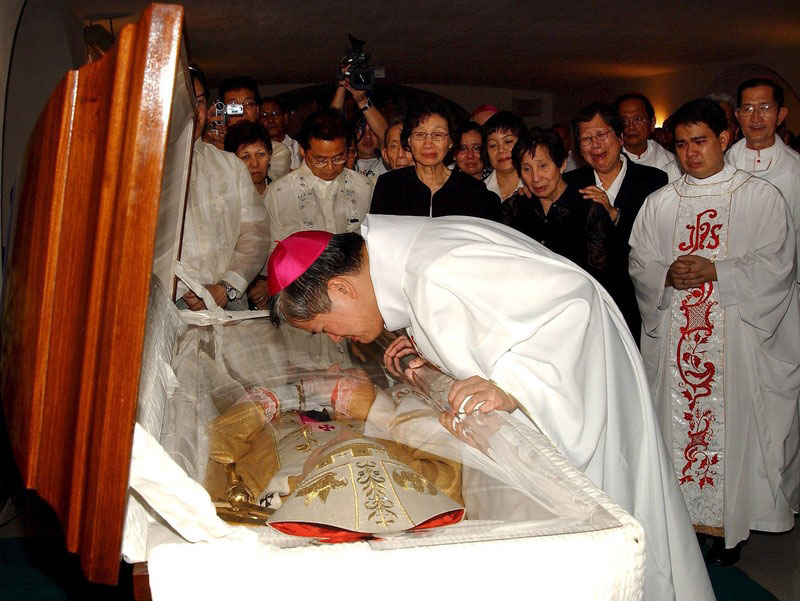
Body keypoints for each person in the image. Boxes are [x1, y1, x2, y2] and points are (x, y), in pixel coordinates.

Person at [264, 217, 715, 601]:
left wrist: (513, 387)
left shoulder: (436, 269)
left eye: (325, 328)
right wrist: (429, 347)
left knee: (611, 523)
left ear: (342, 287)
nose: (336, 340)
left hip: (583, 384)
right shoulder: (406, 264)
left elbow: (572, 300)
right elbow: (492, 321)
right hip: (573, 380)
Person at [629, 98, 800, 566]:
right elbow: (640, 261)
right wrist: (663, 276)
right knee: (676, 432)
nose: (690, 153)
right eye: (681, 144)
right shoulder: (661, 203)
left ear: (724, 139)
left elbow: (777, 264)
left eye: (700, 141)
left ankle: (731, 526)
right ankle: (684, 523)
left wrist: (716, 269)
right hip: (678, 348)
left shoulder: (759, 197)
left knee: (735, 430)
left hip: (736, 345)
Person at [564, 102, 668, 343]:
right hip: (586, 305)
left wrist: (614, 215)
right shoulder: (569, 184)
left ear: (620, 137)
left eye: (601, 134)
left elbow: (658, 244)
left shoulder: (653, 181)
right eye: (586, 139)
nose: (595, 145)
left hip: (636, 302)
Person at [180, 66, 268, 311]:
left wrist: (227, 287)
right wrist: (181, 288)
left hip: (228, 303)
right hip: (169, 305)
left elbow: (255, 234)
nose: (192, 111)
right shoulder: (144, 169)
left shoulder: (230, 165)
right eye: (184, 101)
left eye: (198, 101)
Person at [502, 129, 612, 287]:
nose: (536, 178)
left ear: (562, 164)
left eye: (543, 166)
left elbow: (600, 274)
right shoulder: (514, 209)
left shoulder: (588, 208)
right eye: (527, 169)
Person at [369, 101, 500, 220]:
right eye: (419, 135)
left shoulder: (473, 190)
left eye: (438, 135)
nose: (428, 144)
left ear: (450, 142)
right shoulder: (389, 185)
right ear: (409, 141)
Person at [725, 78, 800, 284]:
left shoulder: (795, 169)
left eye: (765, 107)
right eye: (748, 108)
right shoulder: (722, 166)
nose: (756, 117)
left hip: (782, 282)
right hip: (730, 278)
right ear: (738, 116)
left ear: (780, 115)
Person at [218, 76, 291, 181]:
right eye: (233, 106)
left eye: (248, 104)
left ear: (256, 110)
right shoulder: (211, 150)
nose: (242, 111)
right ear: (222, 112)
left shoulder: (277, 151)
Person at [331, 75, 389, 180]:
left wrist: (362, 101)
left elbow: (386, 136)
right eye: (360, 130)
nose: (367, 136)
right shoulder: (340, 163)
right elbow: (330, 127)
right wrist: (342, 86)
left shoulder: (388, 163)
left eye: (372, 131)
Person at [614, 92, 682, 180]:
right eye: (624, 120)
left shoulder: (672, 162)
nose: (631, 126)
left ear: (652, 123)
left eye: (637, 119)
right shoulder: (611, 161)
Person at [483, 111, 527, 201]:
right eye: (493, 145)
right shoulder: (479, 191)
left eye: (508, 142)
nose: (501, 150)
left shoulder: (537, 187)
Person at [224, 120, 272, 199]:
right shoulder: (227, 199)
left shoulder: (282, 192)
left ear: (269, 155)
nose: (255, 164)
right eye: (245, 157)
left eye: (261, 154)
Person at [258, 96, 302, 169]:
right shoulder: (255, 151)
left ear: (285, 118)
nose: (270, 120)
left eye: (275, 113)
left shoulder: (299, 148)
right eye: (264, 115)